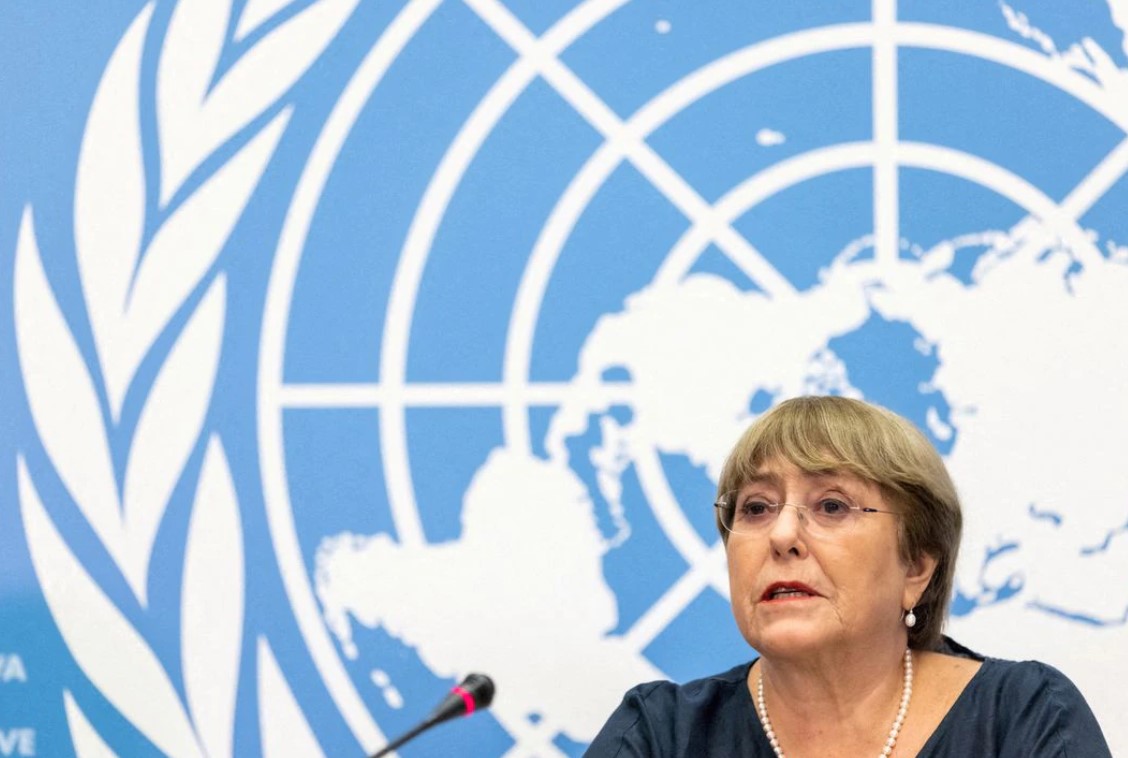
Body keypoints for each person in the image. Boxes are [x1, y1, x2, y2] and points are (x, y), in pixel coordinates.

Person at [587, 396, 1110, 757]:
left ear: (916, 567)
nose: (781, 534)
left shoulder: (1021, 716)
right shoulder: (662, 734)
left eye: (832, 505)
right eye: (756, 508)